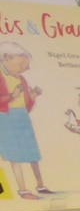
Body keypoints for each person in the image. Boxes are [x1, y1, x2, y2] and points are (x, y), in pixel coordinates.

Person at [0, 42, 53, 199]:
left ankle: (40, 185)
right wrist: (11, 97)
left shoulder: (21, 79)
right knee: (15, 155)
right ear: (7, 58)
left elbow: (26, 106)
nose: (26, 67)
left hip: (22, 117)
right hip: (6, 119)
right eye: (22, 63)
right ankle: (23, 189)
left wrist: (31, 98)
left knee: (32, 153)